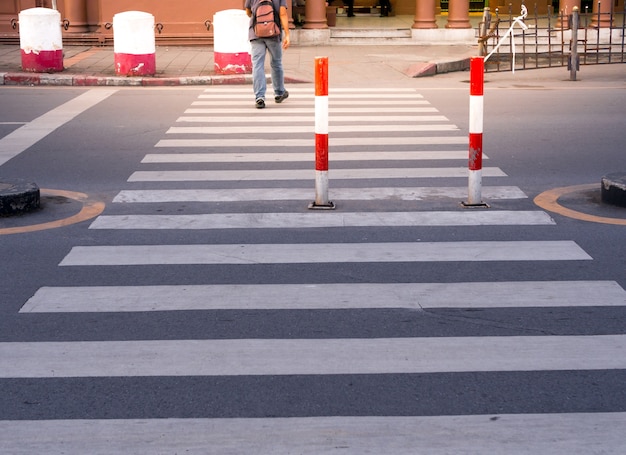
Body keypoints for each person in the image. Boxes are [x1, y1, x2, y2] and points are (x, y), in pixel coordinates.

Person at [245, 0, 290, 109]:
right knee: (276, 63)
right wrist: (287, 35)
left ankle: (259, 97)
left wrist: (259, 20)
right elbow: (283, 13)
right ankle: (279, 93)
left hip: (256, 33)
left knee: (257, 65)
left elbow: (248, 12)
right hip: (273, 33)